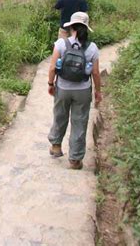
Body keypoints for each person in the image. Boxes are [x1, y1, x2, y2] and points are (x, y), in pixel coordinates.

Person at [47, 11, 102, 170]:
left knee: (59, 115)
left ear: (71, 27)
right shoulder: (92, 48)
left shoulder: (61, 44)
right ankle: (75, 160)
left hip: (62, 87)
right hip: (83, 91)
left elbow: (52, 67)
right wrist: (98, 92)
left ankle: (56, 146)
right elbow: (96, 73)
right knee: (79, 122)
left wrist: (51, 84)